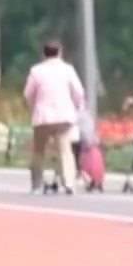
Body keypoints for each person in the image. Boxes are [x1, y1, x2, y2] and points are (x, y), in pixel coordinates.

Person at [24, 40, 87, 195]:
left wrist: (33, 107)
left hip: (42, 116)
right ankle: (69, 183)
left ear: (44, 53)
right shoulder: (68, 69)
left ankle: (36, 184)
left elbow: (28, 94)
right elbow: (79, 92)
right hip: (63, 115)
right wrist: (77, 107)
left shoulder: (36, 70)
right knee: (65, 151)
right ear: (60, 52)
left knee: (38, 151)